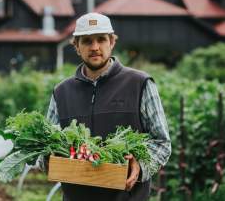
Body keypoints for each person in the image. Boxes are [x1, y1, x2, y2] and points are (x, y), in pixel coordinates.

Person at [47, 12, 171, 201]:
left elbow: (162, 142)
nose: (95, 47)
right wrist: (49, 159)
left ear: (112, 42)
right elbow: (47, 148)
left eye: (101, 40)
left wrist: (141, 164)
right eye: (87, 41)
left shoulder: (139, 83)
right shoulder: (61, 92)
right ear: (77, 47)